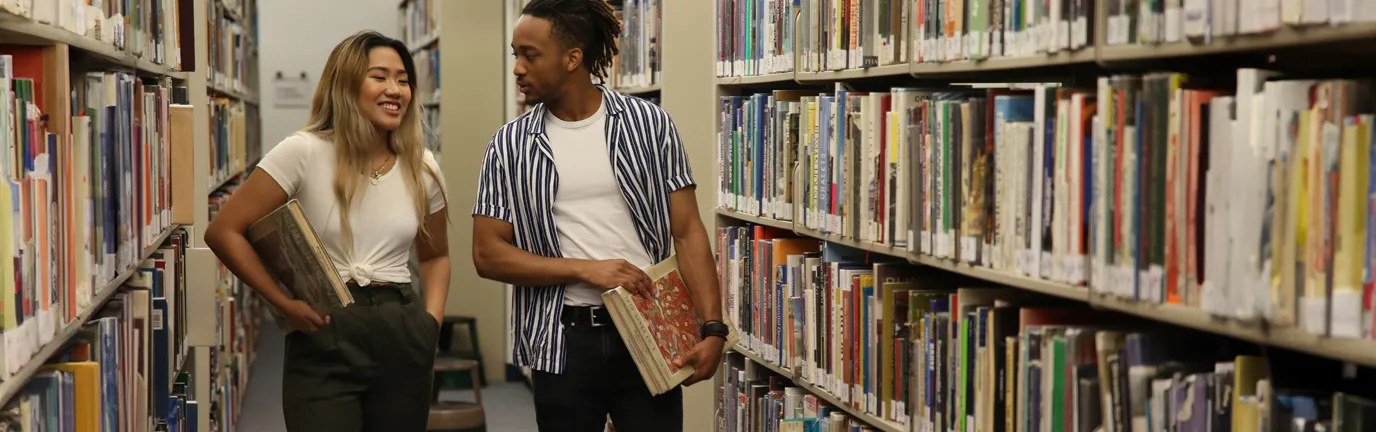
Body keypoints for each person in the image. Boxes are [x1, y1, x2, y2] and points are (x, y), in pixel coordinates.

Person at [471, 0, 727, 431]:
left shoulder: (650, 125)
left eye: (529, 55)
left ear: (572, 58)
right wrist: (588, 270)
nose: (518, 67)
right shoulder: (508, 145)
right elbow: (488, 255)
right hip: (563, 341)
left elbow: (687, 232)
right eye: (515, 54)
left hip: (650, 333)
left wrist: (713, 327)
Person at [204, 30, 449, 432]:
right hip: (326, 328)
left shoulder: (422, 166)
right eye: (380, 77)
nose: (396, 90)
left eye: (404, 80)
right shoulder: (303, 151)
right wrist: (281, 303)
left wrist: (431, 324)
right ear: (347, 84)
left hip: (402, 329)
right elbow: (225, 231)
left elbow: (436, 256)